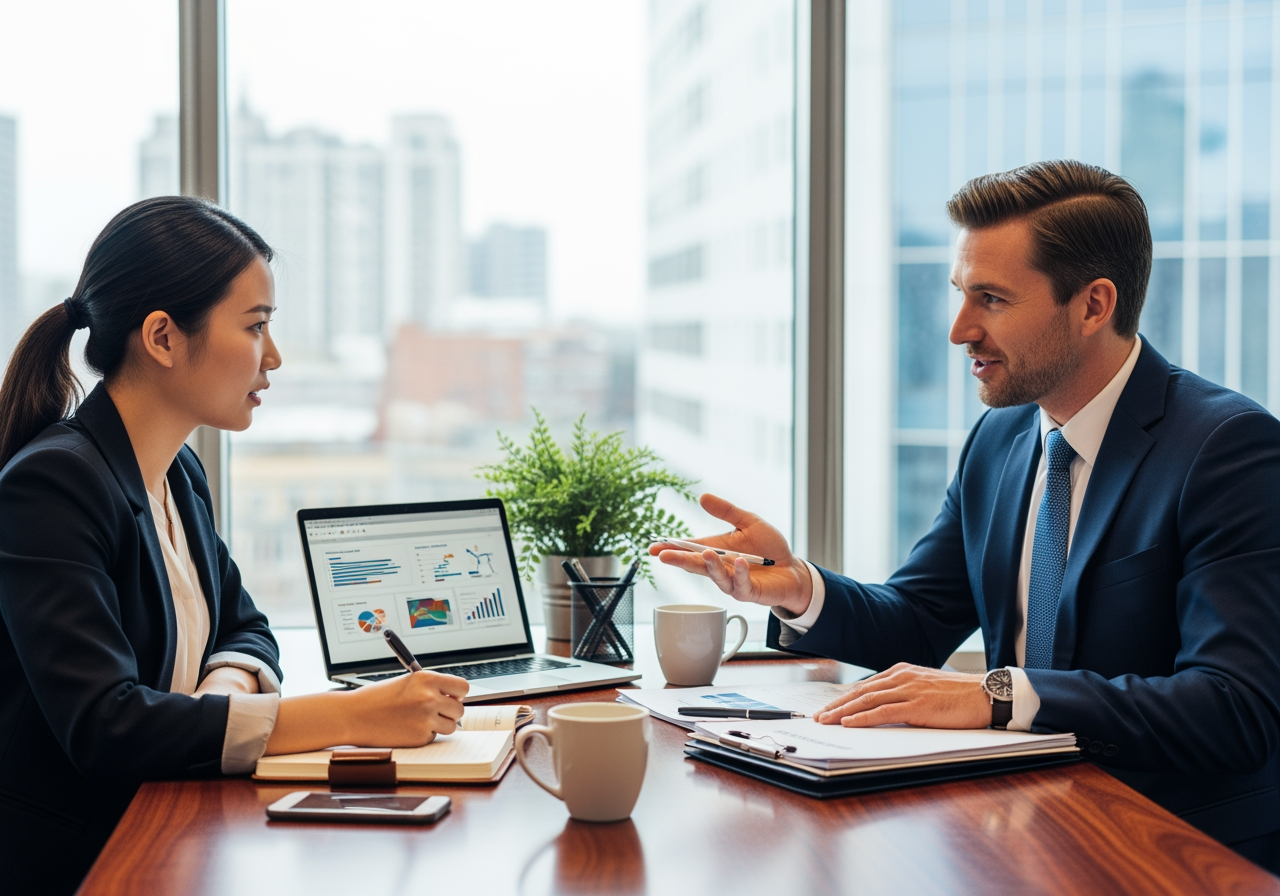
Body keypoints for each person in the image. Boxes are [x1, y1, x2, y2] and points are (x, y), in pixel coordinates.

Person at [654, 160, 1280, 871]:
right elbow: (920, 619)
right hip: (1018, 830)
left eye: (992, 299)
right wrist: (800, 587)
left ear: (1093, 306)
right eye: (961, 293)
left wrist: (996, 694)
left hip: (1168, 850)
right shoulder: (1001, 438)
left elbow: (1235, 709)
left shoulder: (1227, 449)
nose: (959, 330)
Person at [0, 197, 469, 894]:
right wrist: (353, 714)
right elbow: (105, 726)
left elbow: (246, 627)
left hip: (173, 831)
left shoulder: (177, 472)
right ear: (163, 338)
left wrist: (221, 695)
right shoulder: (52, 485)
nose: (272, 357)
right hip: (84, 863)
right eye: (255, 326)